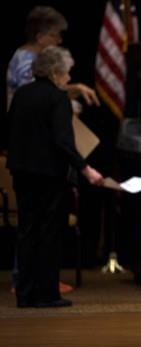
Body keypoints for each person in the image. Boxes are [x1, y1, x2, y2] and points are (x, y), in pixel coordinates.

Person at [6, 46, 103, 308]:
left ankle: (25, 294)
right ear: (55, 72)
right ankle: (48, 294)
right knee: (49, 234)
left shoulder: (21, 94)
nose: (68, 78)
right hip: (50, 175)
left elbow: (11, 132)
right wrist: (86, 169)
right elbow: (63, 141)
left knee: (26, 232)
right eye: (67, 72)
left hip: (22, 172)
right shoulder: (57, 98)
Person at [6, 6, 99, 110]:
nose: (59, 41)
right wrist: (76, 88)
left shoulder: (35, 58)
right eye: (55, 36)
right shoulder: (25, 63)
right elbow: (37, 99)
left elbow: (46, 92)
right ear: (40, 37)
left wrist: (76, 89)